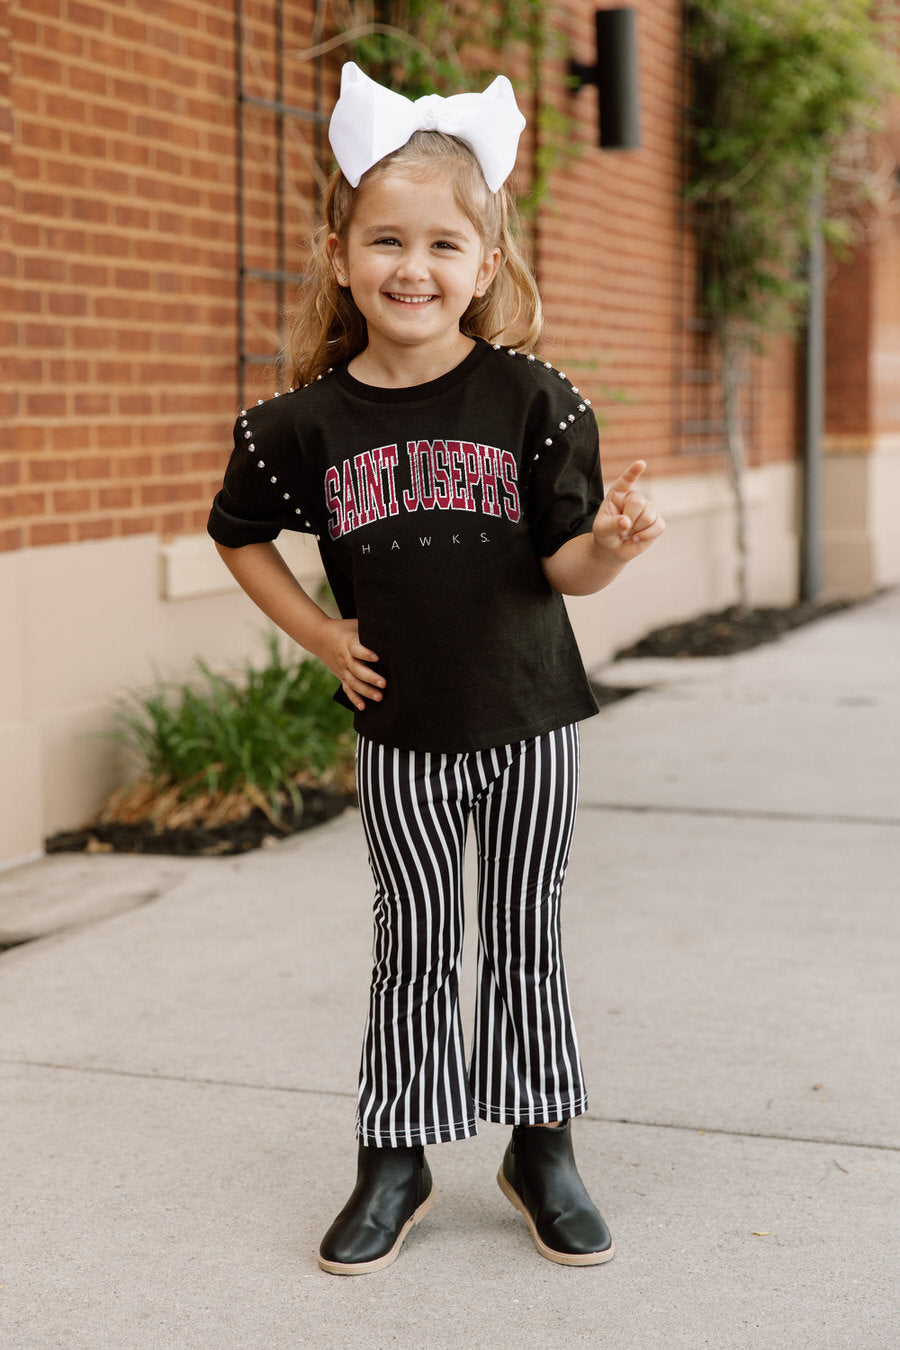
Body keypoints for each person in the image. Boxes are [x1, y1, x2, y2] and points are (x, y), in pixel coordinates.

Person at [208, 61, 665, 1275]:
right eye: (388, 240)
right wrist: (321, 634)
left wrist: (611, 548)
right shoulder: (299, 426)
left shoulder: (535, 402)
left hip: (533, 721)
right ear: (340, 256)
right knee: (412, 938)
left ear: (486, 263)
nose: (415, 268)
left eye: (444, 245)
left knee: (525, 932)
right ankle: (395, 1157)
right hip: (402, 730)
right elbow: (238, 535)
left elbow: (565, 567)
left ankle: (540, 1146)